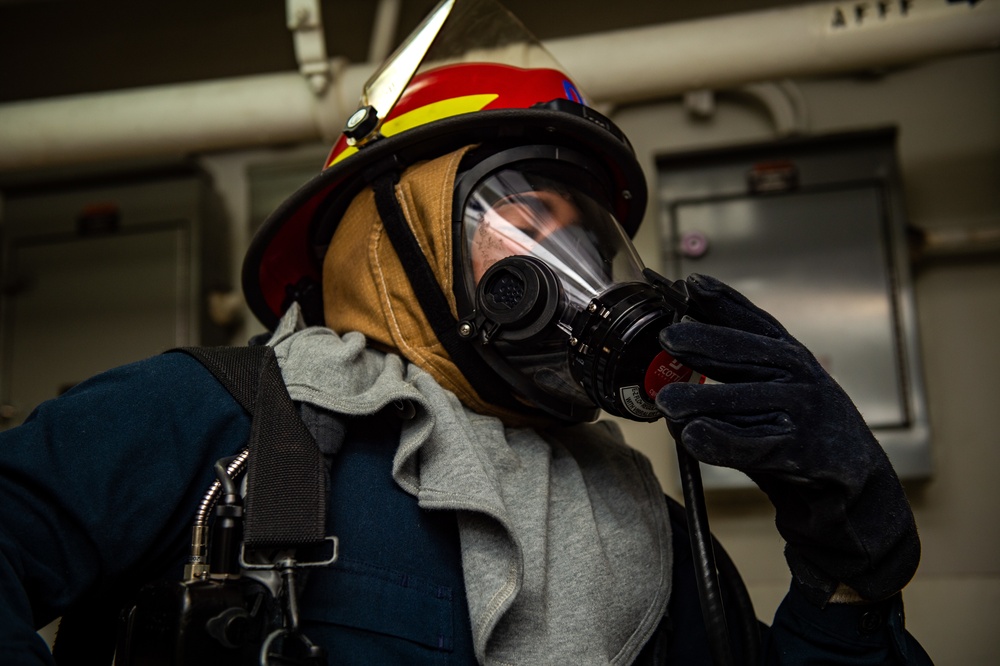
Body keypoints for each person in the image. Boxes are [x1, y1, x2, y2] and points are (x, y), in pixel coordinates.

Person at [0, 0, 932, 663]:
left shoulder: (648, 532)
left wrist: (845, 573)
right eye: (524, 222)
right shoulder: (213, 425)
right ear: (389, 239)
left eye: (582, 234)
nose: (576, 270)